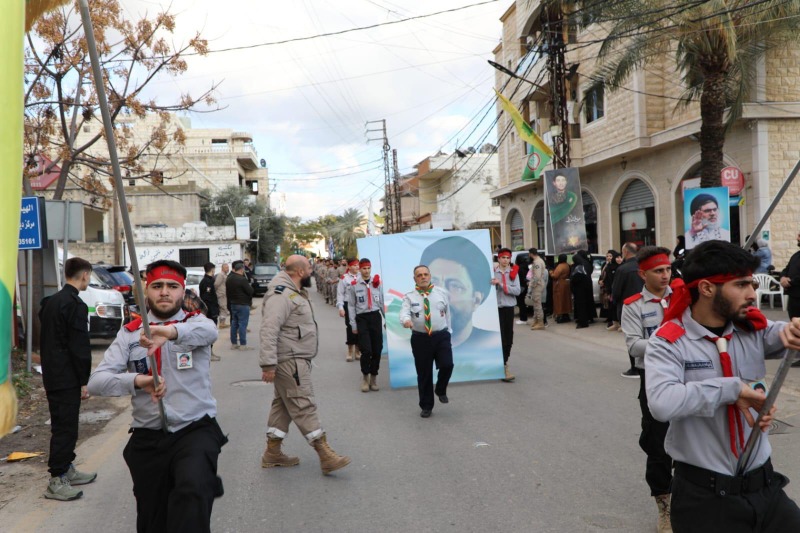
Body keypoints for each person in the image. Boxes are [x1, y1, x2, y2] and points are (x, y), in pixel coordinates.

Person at [646, 240, 800, 532]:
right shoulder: (668, 342)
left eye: (752, 284)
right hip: (705, 499)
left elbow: (780, 333)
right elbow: (662, 403)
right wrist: (733, 390)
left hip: (764, 488)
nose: (752, 294)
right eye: (741, 285)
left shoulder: (749, 329)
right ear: (706, 288)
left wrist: (793, 330)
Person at [88, 260, 226, 533]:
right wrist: (139, 381)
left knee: (192, 490)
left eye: (172, 286)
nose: (165, 292)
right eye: (157, 286)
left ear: (182, 291)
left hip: (194, 429)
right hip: (148, 437)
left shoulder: (195, 324)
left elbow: (210, 331)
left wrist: (171, 332)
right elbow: (96, 383)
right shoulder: (129, 334)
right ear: (145, 291)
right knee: (153, 519)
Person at [259, 255, 351, 474]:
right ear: (300, 271)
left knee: (283, 405)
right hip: (289, 360)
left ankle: (272, 453)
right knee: (302, 403)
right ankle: (324, 453)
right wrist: (268, 364)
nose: (311, 271)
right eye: (309, 268)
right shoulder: (281, 294)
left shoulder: (291, 291)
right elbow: (269, 328)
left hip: (293, 357)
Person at [620, 246, 674, 532]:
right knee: (658, 445)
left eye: (667, 269)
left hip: (688, 377)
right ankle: (664, 506)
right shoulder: (633, 306)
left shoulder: (683, 298)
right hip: (653, 380)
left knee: (696, 437)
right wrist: (667, 342)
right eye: (658, 271)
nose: (665, 275)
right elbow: (633, 345)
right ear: (643, 274)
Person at [39, 257, 96, 501]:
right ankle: (57, 479)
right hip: (66, 377)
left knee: (66, 425)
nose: (88, 280)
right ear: (84, 275)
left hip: (53, 373)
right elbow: (79, 346)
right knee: (65, 428)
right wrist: (84, 379)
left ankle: (68, 469)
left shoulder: (50, 302)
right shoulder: (75, 305)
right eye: (89, 276)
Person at [420, 236, 494, 349]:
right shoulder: (406, 347)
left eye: (455, 286)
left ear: (476, 300)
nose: (441, 294)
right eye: (433, 283)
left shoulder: (490, 344)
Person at [399, 265, 454, 418]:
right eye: (419, 275)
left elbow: (447, 314)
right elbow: (404, 312)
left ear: (430, 276)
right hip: (420, 338)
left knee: (447, 365)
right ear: (414, 279)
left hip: (441, 336)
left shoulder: (441, 293)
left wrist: (449, 331)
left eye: (425, 274)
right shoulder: (409, 297)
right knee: (424, 373)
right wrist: (406, 320)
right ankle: (426, 406)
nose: (423, 277)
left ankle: (441, 389)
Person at [349, 258, 385, 392]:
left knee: (377, 349)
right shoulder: (354, 285)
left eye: (368, 268)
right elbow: (351, 306)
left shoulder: (377, 284)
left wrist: (387, 320)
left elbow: (381, 303)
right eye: (364, 268)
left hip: (375, 316)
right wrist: (353, 325)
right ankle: (365, 377)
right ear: (359, 269)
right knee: (366, 350)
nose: (366, 270)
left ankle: (374, 377)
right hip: (362, 318)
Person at [613, 242, 644, 378]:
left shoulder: (623, 269)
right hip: (646, 305)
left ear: (625, 252)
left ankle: (635, 367)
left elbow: (617, 291)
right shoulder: (644, 266)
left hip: (629, 307)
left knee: (632, 337)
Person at [493, 248, 521, 382]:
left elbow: (517, 290)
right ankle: (500, 365)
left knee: (508, 337)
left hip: (508, 308)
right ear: (498, 258)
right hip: (495, 309)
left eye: (507, 258)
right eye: (503, 257)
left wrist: (502, 284)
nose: (505, 260)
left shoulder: (514, 273)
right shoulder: (492, 272)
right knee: (499, 337)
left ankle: (504, 362)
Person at [226, 260, 254, 350]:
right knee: (242, 324)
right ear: (241, 269)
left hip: (233, 303)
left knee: (234, 323)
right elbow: (250, 291)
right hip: (243, 304)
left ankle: (234, 343)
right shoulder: (242, 279)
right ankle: (243, 344)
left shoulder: (229, 278)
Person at [336, 258, 361, 362]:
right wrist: (341, 307)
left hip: (360, 304)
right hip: (348, 304)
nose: (357, 267)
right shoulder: (344, 278)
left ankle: (358, 350)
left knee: (360, 326)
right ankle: (350, 350)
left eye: (357, 265)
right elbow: (340, 294)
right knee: (350, 326)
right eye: (354, 265)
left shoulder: (361, 276)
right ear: (349, 266)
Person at [199, 262, 221, 362]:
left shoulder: (209, 280)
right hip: (210, 312)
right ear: (212, 270)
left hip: (211, 310)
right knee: (210, 332)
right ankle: (209, 354)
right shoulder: (207, 282)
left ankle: (210, 352)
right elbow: (207, 298)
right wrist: (212, 311)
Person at [571, 250, 595, 329]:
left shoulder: (579, 267)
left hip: (580, 289)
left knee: (581, 305)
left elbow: (575, 278)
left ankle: (583, 322)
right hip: (587, 286)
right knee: (587, 303)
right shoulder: (587, 263)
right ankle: (589, 318)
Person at [780, 230, 800, 320]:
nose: (797, 238)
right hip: (793, 297)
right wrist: (783, 277)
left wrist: (790, 282)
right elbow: (786, 269)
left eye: (799, 236)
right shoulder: (796, 255)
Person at [599, 250, 621, 330]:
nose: (609, 257)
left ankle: (617, 322)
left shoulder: (618, 267)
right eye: (607, 256)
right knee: (608, 304)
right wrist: (600, 281)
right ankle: (612, 320)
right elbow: (602, 275)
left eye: (610, 256)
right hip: (607, 288)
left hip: (614, 289)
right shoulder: (605, 265)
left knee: (615, 305)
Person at [528, 248, 547, 331]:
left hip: (537, 285)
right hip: (538, 284)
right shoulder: (539, 260)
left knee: (537, 304)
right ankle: (536, 320)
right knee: (535, 304)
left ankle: (540, 322)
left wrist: (531, 285)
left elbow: (537, 276)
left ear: (531, 254)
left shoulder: (537, 262)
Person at [551, 254, 572, 323]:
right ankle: (566, 315)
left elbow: (555, 276)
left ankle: (560, 316)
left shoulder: (560, 266)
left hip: (559, 284)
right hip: (566, 284)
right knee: (566, 300)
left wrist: (550, 272)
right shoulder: (567, 265)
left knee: (559, 300)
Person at [514, 252, 530, 324]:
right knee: (522, 302)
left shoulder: (519, 268)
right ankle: (523, 318)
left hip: (521, 287)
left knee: (521, 303)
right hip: (525, 286)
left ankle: (523, 319)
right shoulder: (527, 266)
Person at [214, 263, 230, 328]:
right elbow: (216, 284)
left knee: (224, 308)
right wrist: (218, 292)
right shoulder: (221, 275)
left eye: (228, 267)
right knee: (223, 308)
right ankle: (222, 323)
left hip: (224, 294)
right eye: (226, 268)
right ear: (222, 268)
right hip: (221, 294)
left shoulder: (225, 275)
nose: (227, 269)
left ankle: (223, 322)